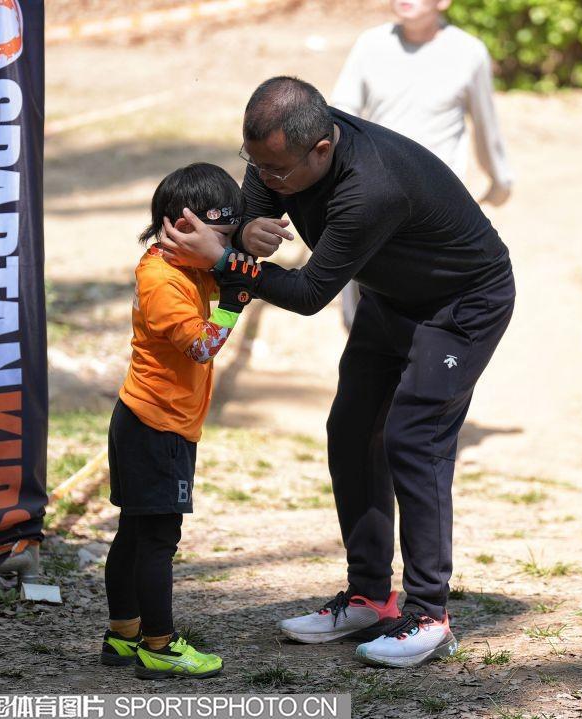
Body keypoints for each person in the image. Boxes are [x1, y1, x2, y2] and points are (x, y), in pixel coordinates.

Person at [159, 77, 516, 669]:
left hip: (462, 304)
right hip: (392, 296)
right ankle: (370, 597)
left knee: (413, 438)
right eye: (254, 161)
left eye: (276, 169)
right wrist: (245, 228)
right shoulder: (283, 149)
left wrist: (223, 259)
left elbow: (308, 293)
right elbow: (255, 203)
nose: (263, 176)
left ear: (321, 149)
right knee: (351, 429)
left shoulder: (371, 188)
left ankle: (430, 616)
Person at [103, 163, 261, 680]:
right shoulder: (163, 280)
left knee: (134, 532)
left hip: (147, 418)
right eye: (219, 236)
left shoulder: (177, 263)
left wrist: (244, 245)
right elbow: (201, 346)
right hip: (157, 426)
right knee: (156, 541)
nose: (222, 248)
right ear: (184, 227)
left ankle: (123, 635)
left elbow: (223, 269)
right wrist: (234, 305)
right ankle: (159, 646)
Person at [331, 0, 515, 328]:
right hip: (376, 197)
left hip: (438, 206)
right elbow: (340, 117)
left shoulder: (468, 52)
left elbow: (485, 126)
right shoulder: (370, 45)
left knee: (431, 313)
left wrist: (500, 181)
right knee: (360, 317)